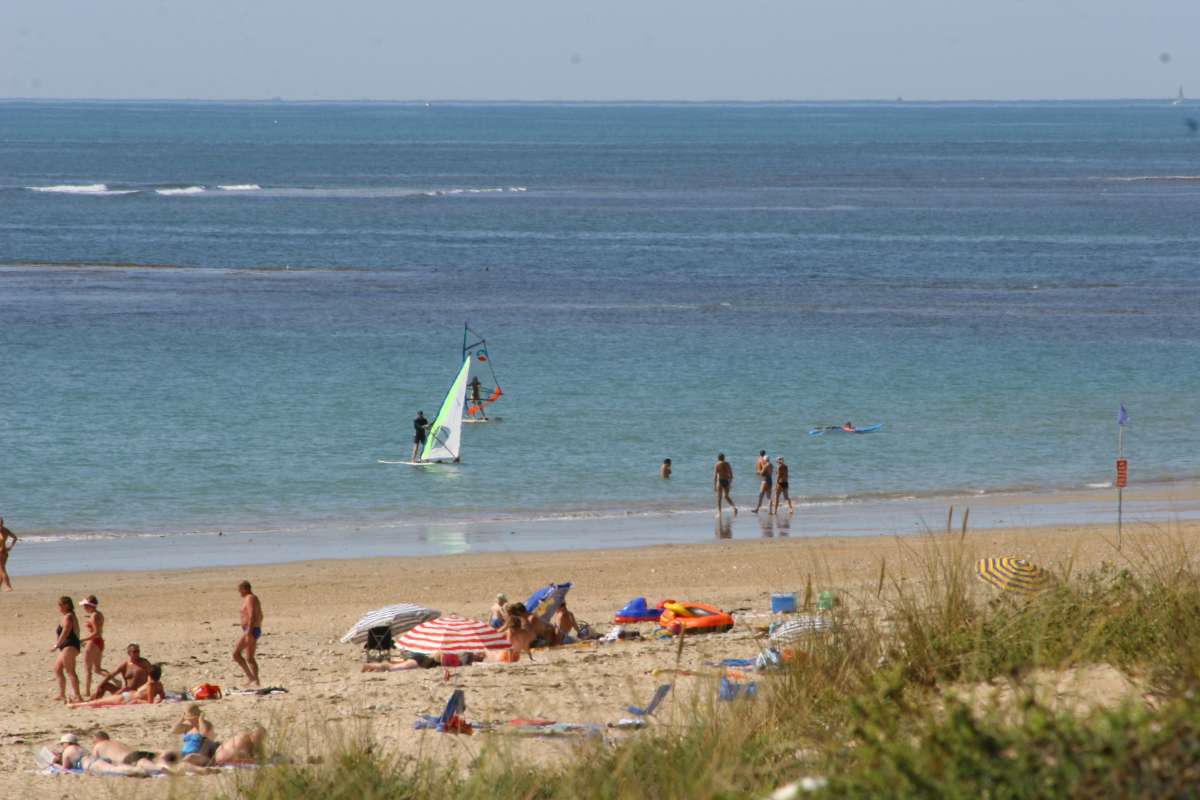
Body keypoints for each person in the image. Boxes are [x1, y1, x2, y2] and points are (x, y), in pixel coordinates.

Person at [71, 663, 164, 708]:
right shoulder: (159, 684)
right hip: (128, 696)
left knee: (99, 702)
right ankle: (77, 704)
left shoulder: (150, 685)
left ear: (150, 674)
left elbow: (150, 702)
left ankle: (75, 705)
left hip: (127, 698)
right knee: (100, 702)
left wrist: (137, 700)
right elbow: (162, 696)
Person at [51, 596, 83, 703]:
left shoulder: (69, 616)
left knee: (70, 671)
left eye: (60, 605)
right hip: (65, 646)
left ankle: (78, 696)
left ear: (67, 605)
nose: (59, 607)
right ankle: (61, 694)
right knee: (57, 669)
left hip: (70, 646)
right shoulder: (66, 616)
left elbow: (66, 632)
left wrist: (57, 645)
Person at [234, 580, 263, 688]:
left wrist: (249, 632)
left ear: (244, 589)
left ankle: (252, 678)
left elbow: (252, 616)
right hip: (252, 629)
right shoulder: (252, 598)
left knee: (236, 654)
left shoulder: (250, 598)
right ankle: (256, 681)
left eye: (240, 591)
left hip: (250, 630)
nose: (239, 593)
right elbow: (261, 615)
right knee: (250, 657)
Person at [79, 595, 105, 697]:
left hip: (93, 642)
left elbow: (96, 632)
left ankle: (87, 691)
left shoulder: (93, 616)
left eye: (85, 605)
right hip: (99, 642)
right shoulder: (99, 614)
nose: (84, 608)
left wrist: (83, 640)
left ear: (90, 606)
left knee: (88, 669)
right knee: (97, 669)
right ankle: (115, 680)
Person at [90, 731, 158, 766]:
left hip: (127, 759)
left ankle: (158, 768)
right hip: (138, 753)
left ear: (97, 738)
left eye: (93, 740)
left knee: (141, 763)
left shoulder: (98, 745)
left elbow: (93, 762)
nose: (93, 743)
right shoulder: (116, 742)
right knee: (149, 761)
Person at [0, 517, 16, 591]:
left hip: (1, 552)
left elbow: (2, 538)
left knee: (2, 569)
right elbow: (15, 537)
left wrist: (2, 546)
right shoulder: (6, 529)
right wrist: (10, 547)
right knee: (2, 569)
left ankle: (8, 586)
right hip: (5, 552)